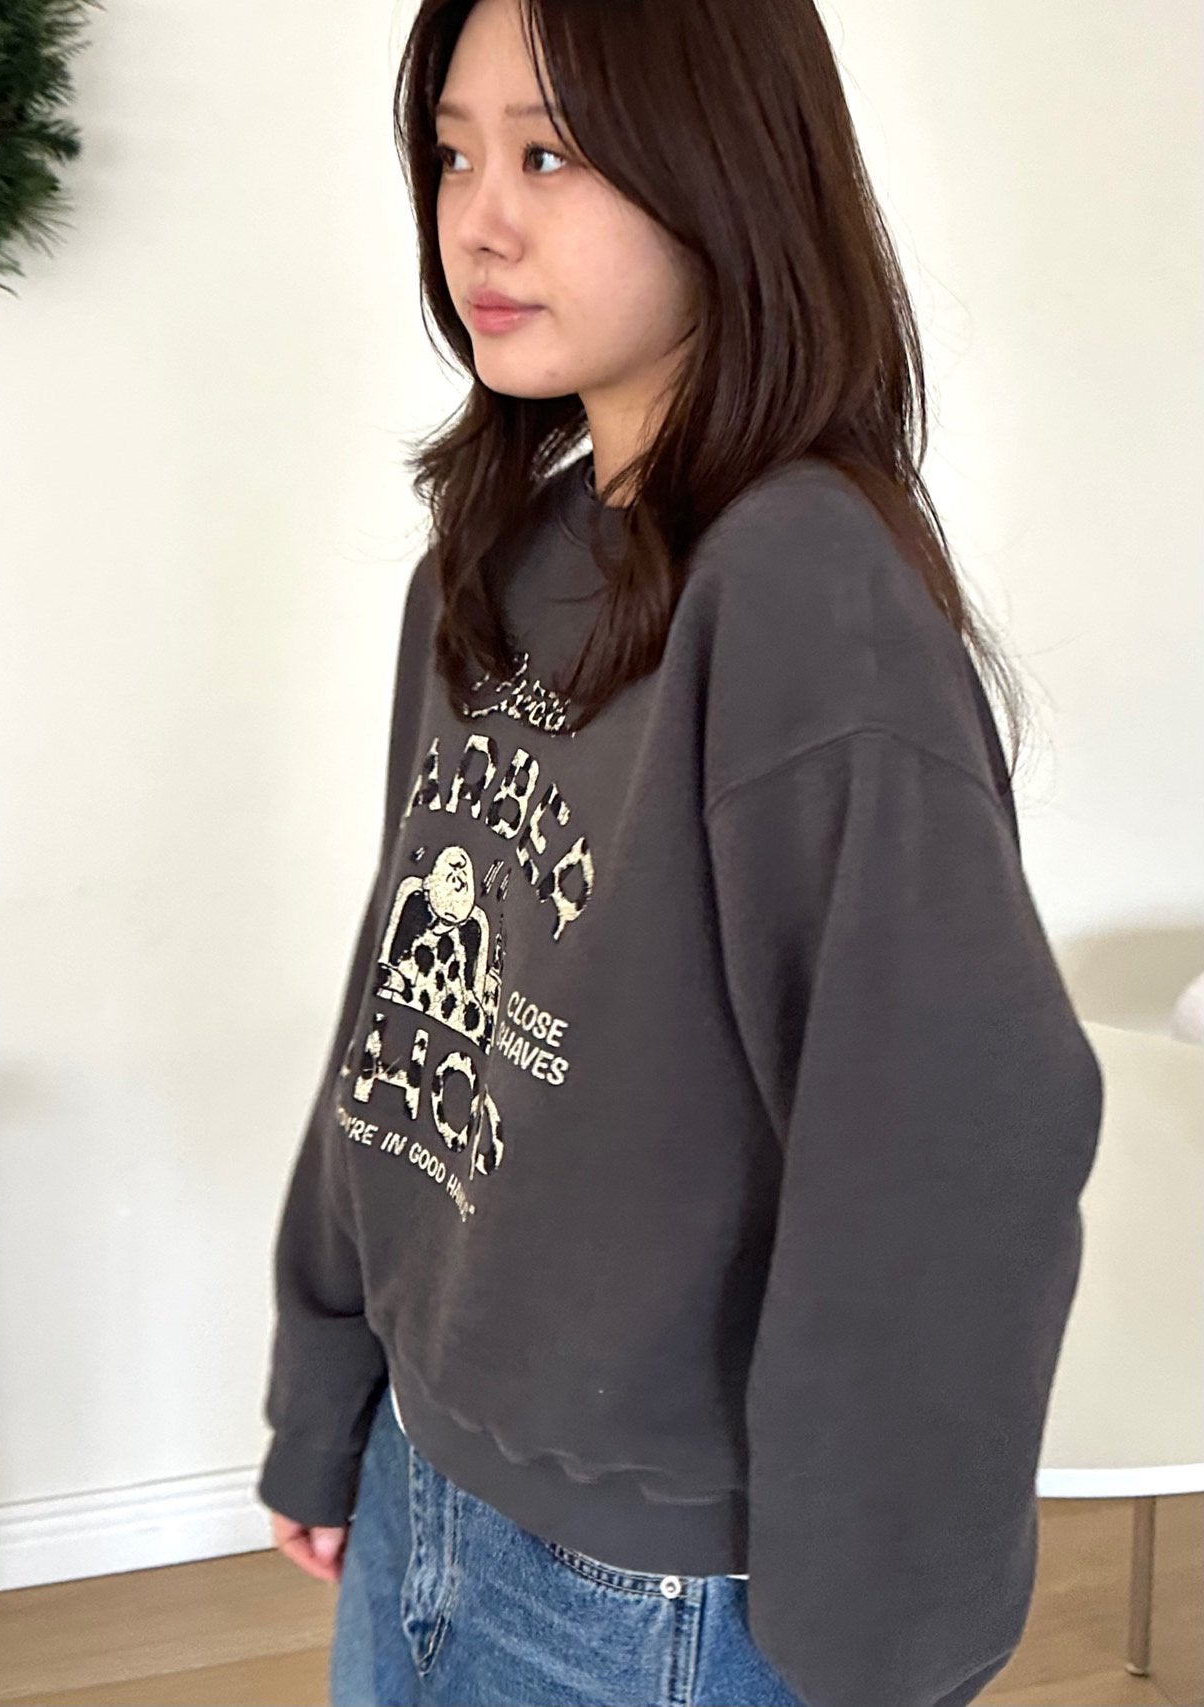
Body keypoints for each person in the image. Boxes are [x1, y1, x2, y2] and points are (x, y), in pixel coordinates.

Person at [256, 1, 1104, 1704]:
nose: (481, 219)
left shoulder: (802, 592)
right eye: (455, 154)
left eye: (551, 154)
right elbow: (408, 1011)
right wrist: (329, 1385)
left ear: (724, 173)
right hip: (432, 1475)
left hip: (660, 1596)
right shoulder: (487, 567)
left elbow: (948, 1148)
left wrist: (877, 1645)